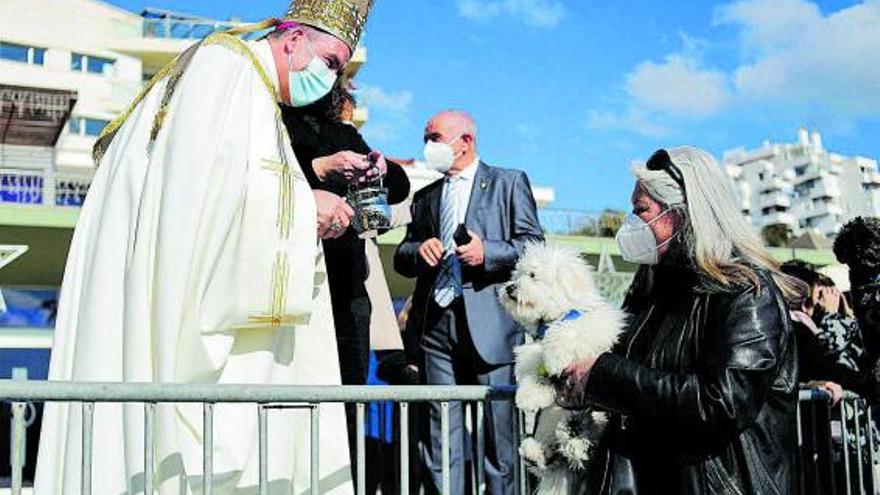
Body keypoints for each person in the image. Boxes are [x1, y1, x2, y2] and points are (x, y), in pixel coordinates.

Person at [34, 1, 374, 493]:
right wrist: (305, 205)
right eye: (331, 63)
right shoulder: (227, 70)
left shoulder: (230, 74)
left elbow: (205, 195)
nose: (331, 78)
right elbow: (205, 203)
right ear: (294, 39)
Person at [556, 147, 806, 494]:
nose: (632, 222)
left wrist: (604, 374)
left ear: (684, 212)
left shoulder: (745, 292)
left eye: (641, 210)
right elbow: (640, 384)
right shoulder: (651, 290)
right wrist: (583, 382)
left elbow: (720, 404)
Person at [394, 110, 544, 495]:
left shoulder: (509, 183)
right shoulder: (426, 197)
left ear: (466, 141)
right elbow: (401, 256)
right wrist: (417, 249)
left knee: (500, 442)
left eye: (436, 137)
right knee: (440, 438)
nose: (429, 146)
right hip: (435, 329)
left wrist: (487, 253)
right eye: (425, 137)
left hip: (491, 330)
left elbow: (534, 246)